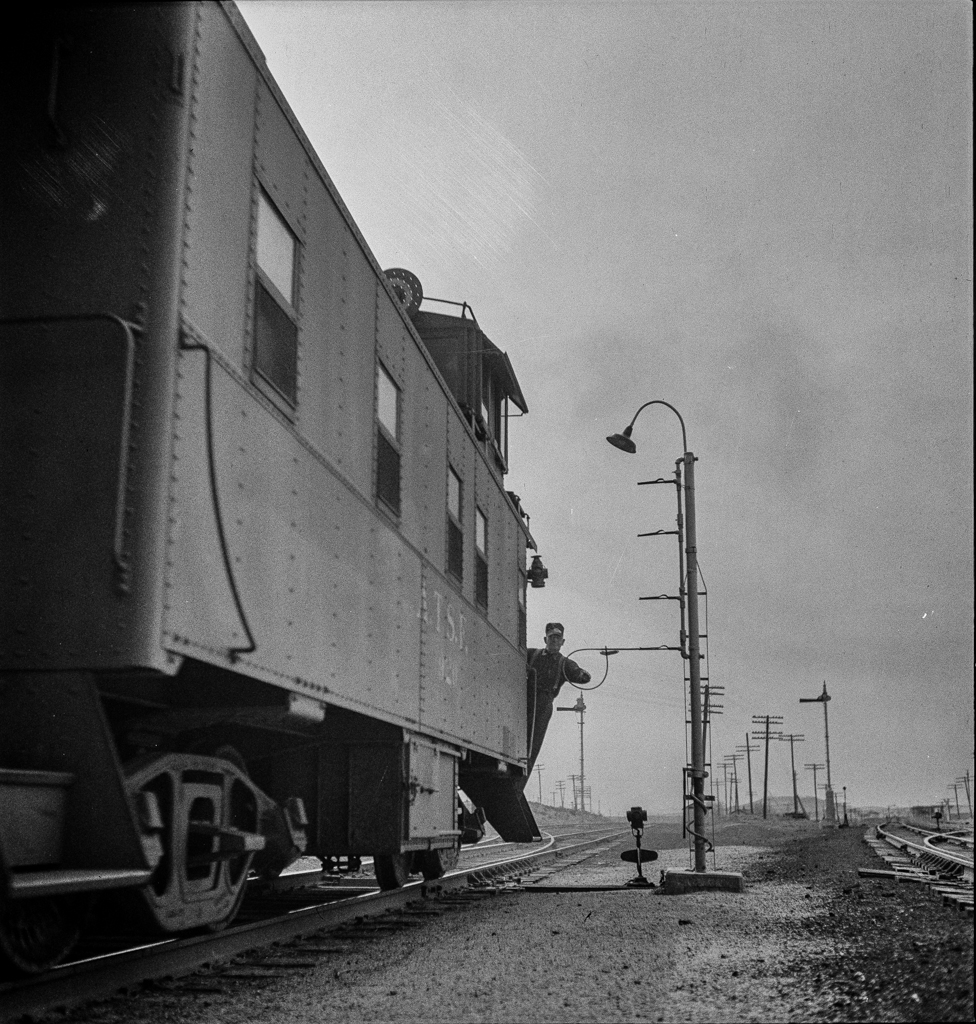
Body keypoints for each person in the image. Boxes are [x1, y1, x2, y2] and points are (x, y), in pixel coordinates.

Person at [525, 623, 591, 771]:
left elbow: (582, 676)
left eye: (557, 638)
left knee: (533, 746)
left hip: (543, 704)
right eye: (551, 637)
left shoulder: (565, 663)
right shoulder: (531, 654)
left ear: (563, 642)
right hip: (525, 701)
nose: (554, 640)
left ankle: (522, 777)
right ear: (545, 639)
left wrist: (581, 675)